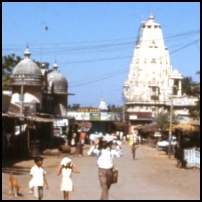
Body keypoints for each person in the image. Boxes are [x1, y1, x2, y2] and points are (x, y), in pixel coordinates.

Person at [87, 136, 122, 200]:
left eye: (105, 142)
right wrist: (94, 144)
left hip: (110, 171)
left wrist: (118, 146)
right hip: (101, 171)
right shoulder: (98, 151)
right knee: (104, 187)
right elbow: (89, 153)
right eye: (102, 142)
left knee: (106, 188)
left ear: (108, 143)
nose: (104, 144)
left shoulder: (111, 150)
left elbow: (119, 155)